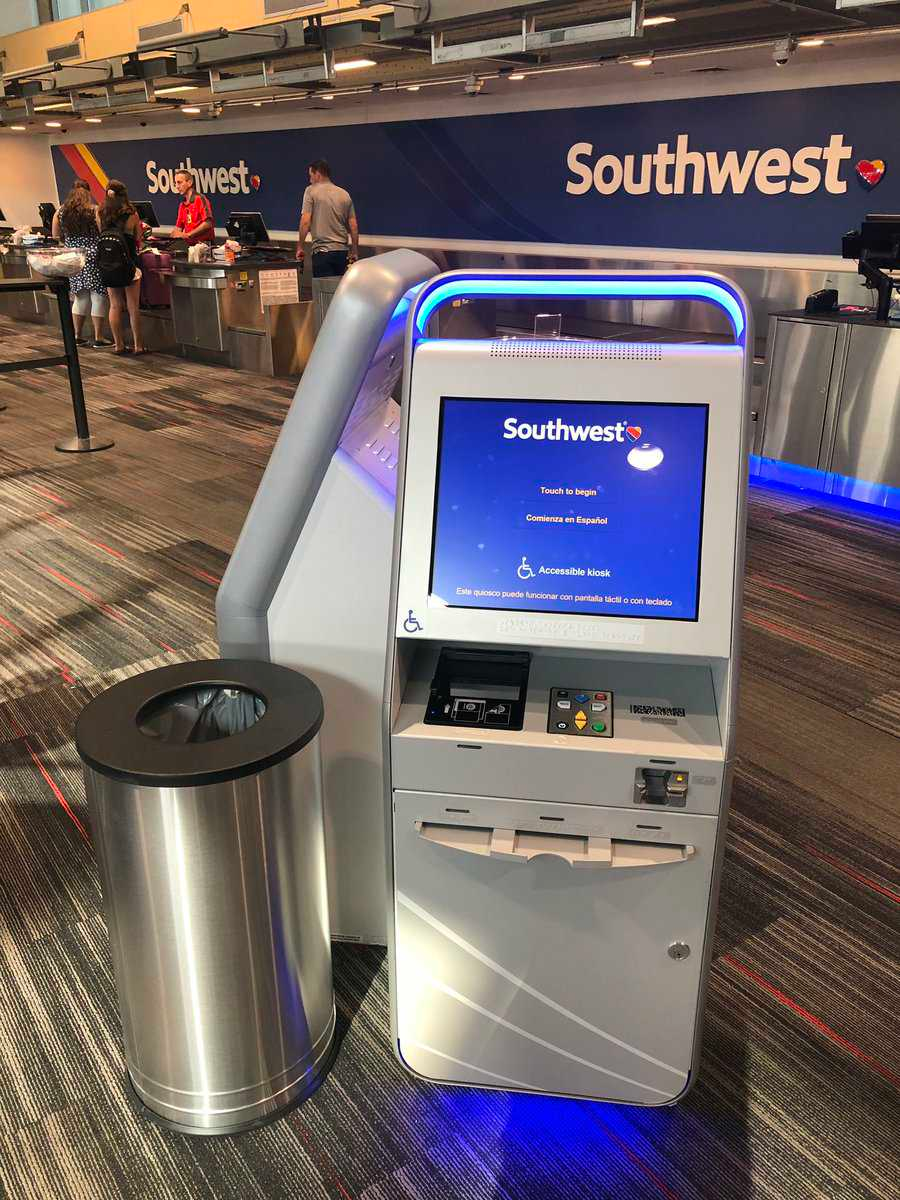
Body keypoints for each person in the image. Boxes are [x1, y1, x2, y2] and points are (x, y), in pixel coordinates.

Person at [51, 180, 111, 349]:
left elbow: (56, 235)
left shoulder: (60, 212)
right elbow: (103, 231)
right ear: (88, 193)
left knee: (80, 296)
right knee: (98, 296)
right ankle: (99, 337)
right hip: (93, 256)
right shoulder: (94, 210)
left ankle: (77, 335)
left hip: (73, 258)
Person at [97, 179, 146, 356]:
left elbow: (100, 232)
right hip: (129, 264)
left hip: (108, 264)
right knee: (133, 306)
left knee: (115, 305)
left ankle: (118, 344)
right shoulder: (131, 213)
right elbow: (138, 237)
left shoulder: (100, 212)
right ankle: (138, 345)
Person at [296, 160, 358, 277]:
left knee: (323, 293)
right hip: (342, 252)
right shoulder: (344, 194)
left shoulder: (310, 191)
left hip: (322, 252)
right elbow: (354, 226)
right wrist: (354, 251)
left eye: (311, 176)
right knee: (337, 292)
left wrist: (300, 247)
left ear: (317, 174)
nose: (310, 180)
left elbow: (305, 222)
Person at [170, 168, 214, 246]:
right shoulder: (182, 205)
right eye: (175, 183)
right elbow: (178, 228)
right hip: (191, 248)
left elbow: (208, 223)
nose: (177, 186)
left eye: (179, 182)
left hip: (205, 247)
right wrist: (165, 239)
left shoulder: (200, 199)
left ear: (189, 183)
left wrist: (188, 234)